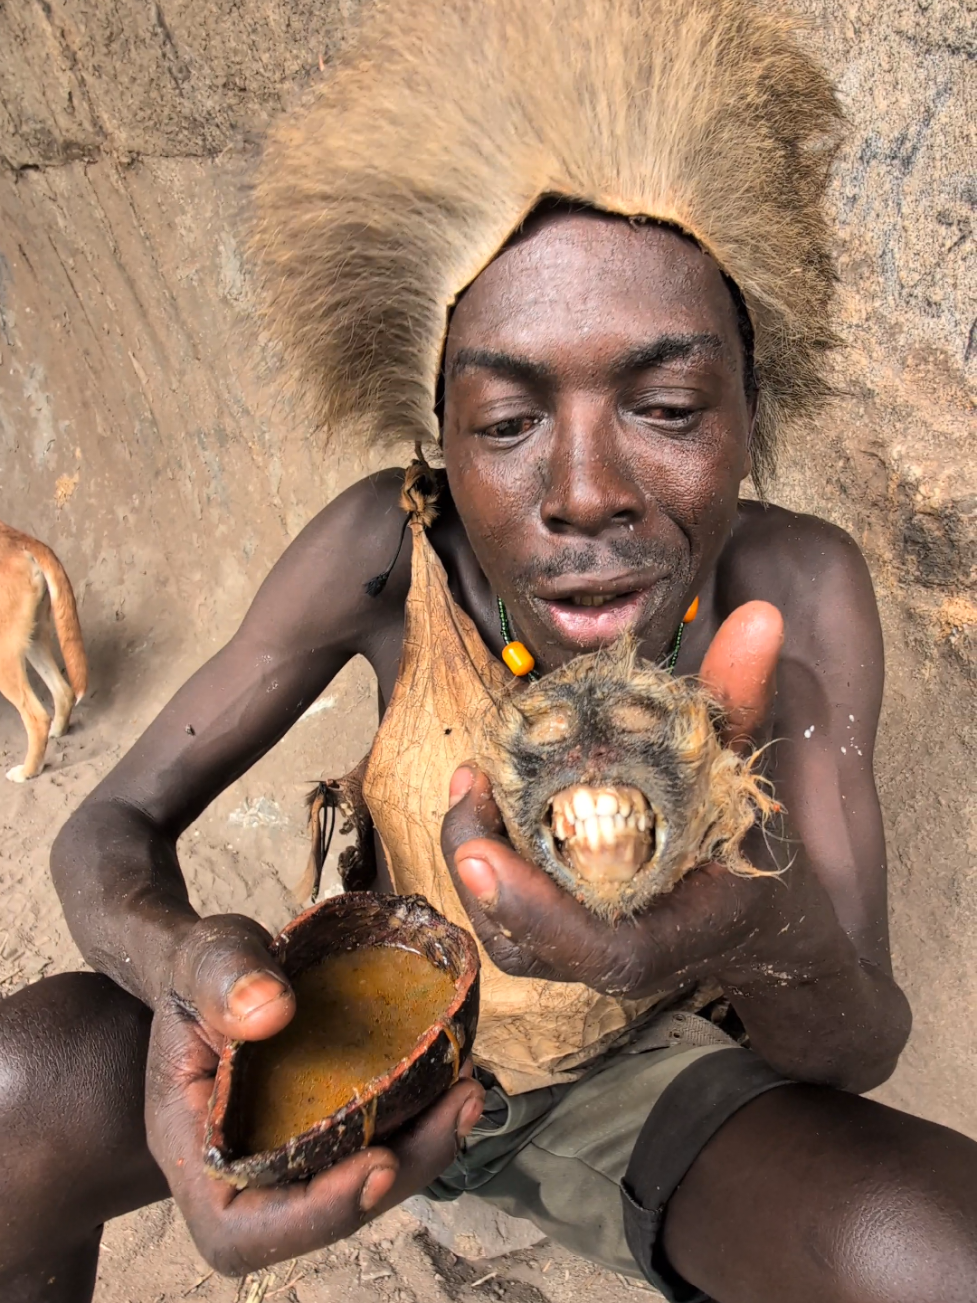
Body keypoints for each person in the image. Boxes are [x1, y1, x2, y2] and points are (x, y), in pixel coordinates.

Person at [2, 2, 976, 1301]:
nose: (584, 490)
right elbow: (108, 821)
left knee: (939, 1249)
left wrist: (745, 927)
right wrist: (189, 970)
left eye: (670, 404)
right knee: (25, 1085)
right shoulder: (385, 550)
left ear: (753, 410)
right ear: (441, 440)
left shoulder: (795, 590)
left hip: (632, 1084)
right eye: (510, 420)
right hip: (352, 1025)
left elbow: (857, 1040)